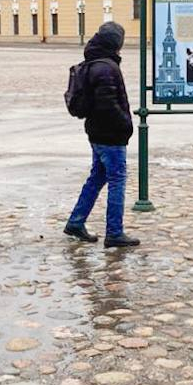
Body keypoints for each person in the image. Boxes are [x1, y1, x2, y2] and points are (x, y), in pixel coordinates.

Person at [64, 22, 139, 248]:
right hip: (110, 135)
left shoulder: (93, 63)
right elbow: (108, 105)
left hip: (97, 133)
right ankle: (114, 232)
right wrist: (126, 126)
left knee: (97, 177)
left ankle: (76, 222)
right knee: (117, 179)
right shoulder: (107, 67)